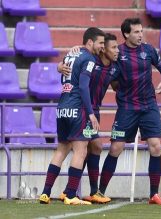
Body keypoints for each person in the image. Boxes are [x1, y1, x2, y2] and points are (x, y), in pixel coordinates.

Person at [98, 18, 161, 205]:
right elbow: (107, 74)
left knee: (155, 146)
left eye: (141, 31)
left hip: (148, 106)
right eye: (136, 32)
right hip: (127, 108)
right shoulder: (117, 52)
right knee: (115, 148)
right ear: (126, 34)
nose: (140, 35)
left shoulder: (148, 50)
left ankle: (154, 194)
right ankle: (100, 191)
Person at [39, 27, 105, 205]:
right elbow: (83, 87)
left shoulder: (70, 54)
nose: (102, 47)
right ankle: (70, 195)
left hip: (62, 107)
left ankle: (45, 193)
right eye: (100, 43)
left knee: (61, 149)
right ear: (90, 42)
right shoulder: (89, 59)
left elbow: (63, 74)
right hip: (78, 108)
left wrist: (59, 66)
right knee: (80, 151)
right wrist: (91, 113)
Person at [57, 33, 120, 204]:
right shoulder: (92, 59)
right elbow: (71, 61)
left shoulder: (116, 66)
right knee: (93, 147)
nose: (117, 50)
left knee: (89, 148)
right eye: (113, 47)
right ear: (103, 49)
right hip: (83, 109)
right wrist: (59, 65)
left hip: (94, 109)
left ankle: (70, 191)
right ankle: (88, 192)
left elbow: (117, 85)